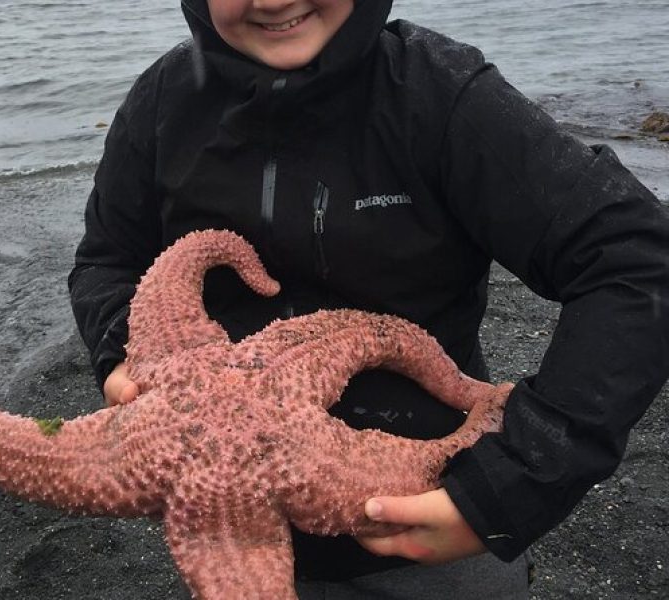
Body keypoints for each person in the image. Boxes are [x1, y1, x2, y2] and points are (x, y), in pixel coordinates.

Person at [68, 0, 669, 597]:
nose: (274, 1)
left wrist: (512, 485)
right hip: (220, 526)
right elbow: (108, 258)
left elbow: (636, 257)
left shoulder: (438, 96)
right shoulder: (162, 103)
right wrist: (126, 348)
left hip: (431, 527)